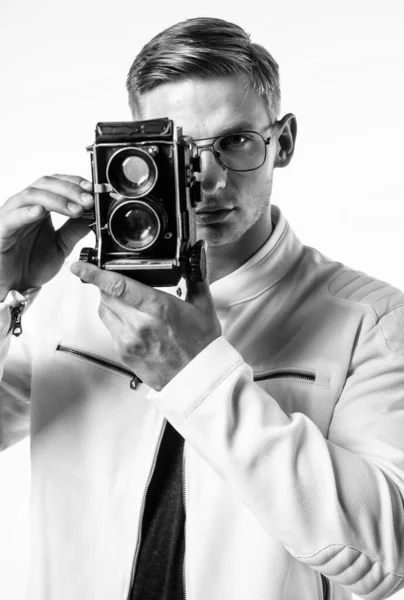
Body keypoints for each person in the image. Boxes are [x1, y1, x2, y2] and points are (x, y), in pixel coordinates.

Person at [1, 16, 404, 600]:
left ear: (282, 142)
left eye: (235, 141)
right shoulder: (69, 296)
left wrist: (199, 376)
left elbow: (385, 557)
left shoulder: (372, 322)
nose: (205, 178)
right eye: (178, 150)